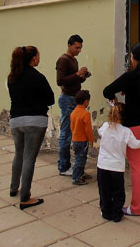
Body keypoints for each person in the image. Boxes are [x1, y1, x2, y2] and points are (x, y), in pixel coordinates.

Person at [103, 42, 140, 216]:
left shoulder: (131, 76)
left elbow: (107, 90)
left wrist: (115, 101)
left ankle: (136, 207)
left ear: (133, 58)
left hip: (135, 126)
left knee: (136, 166)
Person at [7, 46, 54, 210]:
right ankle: (25, 197)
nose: (39, 58)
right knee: (29, 158)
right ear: (33, 58)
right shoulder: (38, 77)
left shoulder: (12, 77)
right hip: (35, 120)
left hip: (16, 121)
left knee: (18, 154)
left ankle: (14, 188)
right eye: (38, 56)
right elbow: (50, 99)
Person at [97, 103, 140, 222]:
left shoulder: (105, 126)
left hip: (102, 165)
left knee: (104, 190)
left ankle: (106, 212)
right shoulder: (126, 131)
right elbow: (134, 144)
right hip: (117, 167)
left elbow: (100, 132)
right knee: (118, 192)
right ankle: (116, 214)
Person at [56, 34, 91, 176]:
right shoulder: (63, 60)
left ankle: (71, 166)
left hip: (73, 99)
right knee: (66, 134)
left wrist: (82, 76)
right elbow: (60, 81)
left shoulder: (73, 60)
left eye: (81, 48)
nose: (79, 50)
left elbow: (74, 80)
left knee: (74, 133)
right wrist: (77, 74)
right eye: (77, 47)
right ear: (69, 45)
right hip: (67, 99)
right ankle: (63, 166)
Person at [70, 90, 95, 185]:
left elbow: (71, 127)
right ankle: (76, 178)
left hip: (75, 139)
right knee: (80, 159)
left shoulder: (73, 113)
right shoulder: (85, 114)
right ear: (85, 101)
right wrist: (91, 140)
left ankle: (81, 173)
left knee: (79, 157)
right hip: (82, 140)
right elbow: (88, 129)